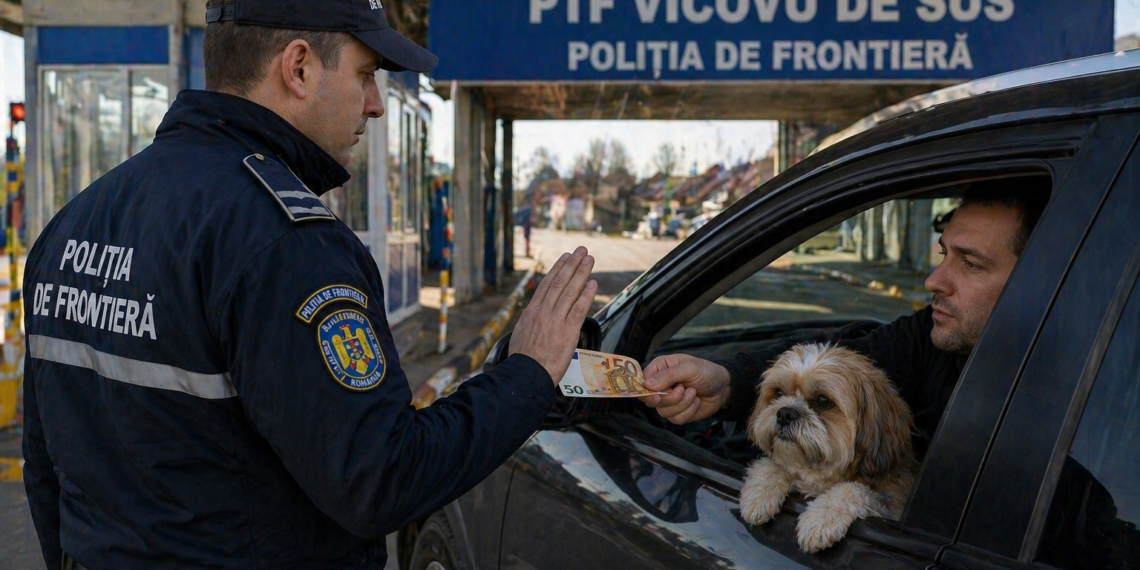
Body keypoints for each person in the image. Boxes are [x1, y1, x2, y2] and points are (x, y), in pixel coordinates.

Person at [21, 1, 598, 569]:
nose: (375, 104)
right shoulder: (286, 244)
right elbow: (381, 478)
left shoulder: (75, 222)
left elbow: (46, 471)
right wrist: (528, 374)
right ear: (298, 68)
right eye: (365, 74)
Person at [641, 186, 1048, 455]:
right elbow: (845, 359)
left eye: (971, 264)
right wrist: (727, 381)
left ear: (1040, 278)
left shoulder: (1060, 403)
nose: (933, 281)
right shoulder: (932, 337)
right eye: (944, 254)